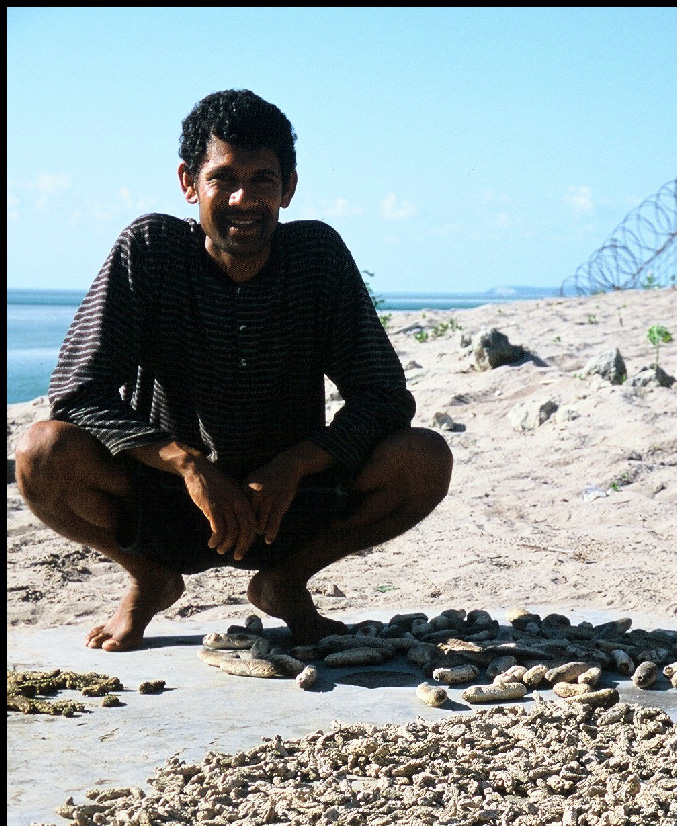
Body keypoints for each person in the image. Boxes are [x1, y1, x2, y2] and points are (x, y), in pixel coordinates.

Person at [15, 89, 452, 650]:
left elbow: (384, 397)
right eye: (224, 178)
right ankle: (149, 580)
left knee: (423, 459)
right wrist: (187, 464)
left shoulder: (316, 257)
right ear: (189, 184)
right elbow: (77, 393)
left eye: (263, 180)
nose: (244, 198)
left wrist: (295, 464)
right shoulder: (149, 251)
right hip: (168, 501)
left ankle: (285, 584)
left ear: (288, 188)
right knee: (41, 452)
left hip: (289, 508)